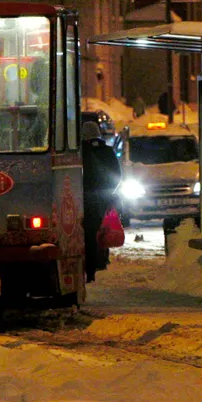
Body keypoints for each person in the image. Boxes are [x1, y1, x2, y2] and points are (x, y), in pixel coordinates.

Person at [81, 119, 122, 282]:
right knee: (103, 230)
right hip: (104, 198)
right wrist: (108, 191)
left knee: (88, 234)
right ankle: (101, 261)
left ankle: (89, 269)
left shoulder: (81, 151)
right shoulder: (107, 151)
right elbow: (117, 175)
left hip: (85, 198)